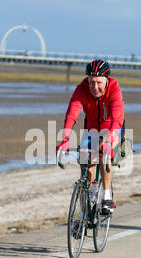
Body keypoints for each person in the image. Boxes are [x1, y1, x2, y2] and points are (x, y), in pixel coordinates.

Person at [56, 59, 125, 215]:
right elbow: (71, 115)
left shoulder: (114, 88)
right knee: (85, 167)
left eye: (99, 83)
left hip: (112, 127)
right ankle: (83, 214)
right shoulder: (82, 89)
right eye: (91, 82)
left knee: (103, 153)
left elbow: (117, 117)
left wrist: (109, 140)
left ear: (106, 80)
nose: (95, 87)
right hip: (92, 127)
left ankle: (107, 196)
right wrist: (65, 140)